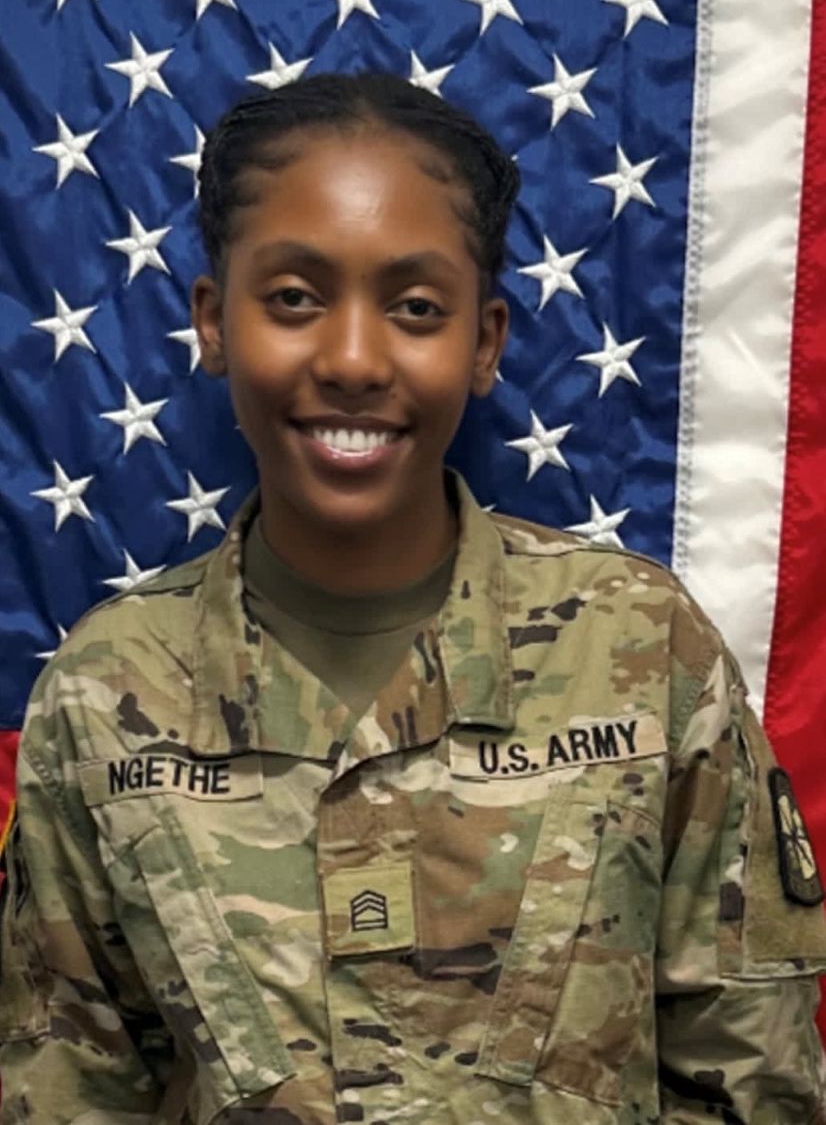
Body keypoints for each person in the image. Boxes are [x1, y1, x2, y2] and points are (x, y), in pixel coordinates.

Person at [0, 72, 824, 1125]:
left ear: (484, 342)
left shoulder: (641, 647)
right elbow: (66, 1090)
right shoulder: (102, 694)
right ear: (212, 322)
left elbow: (751, 1083)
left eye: (416, 309)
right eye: (293, 298)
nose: (352, 357)